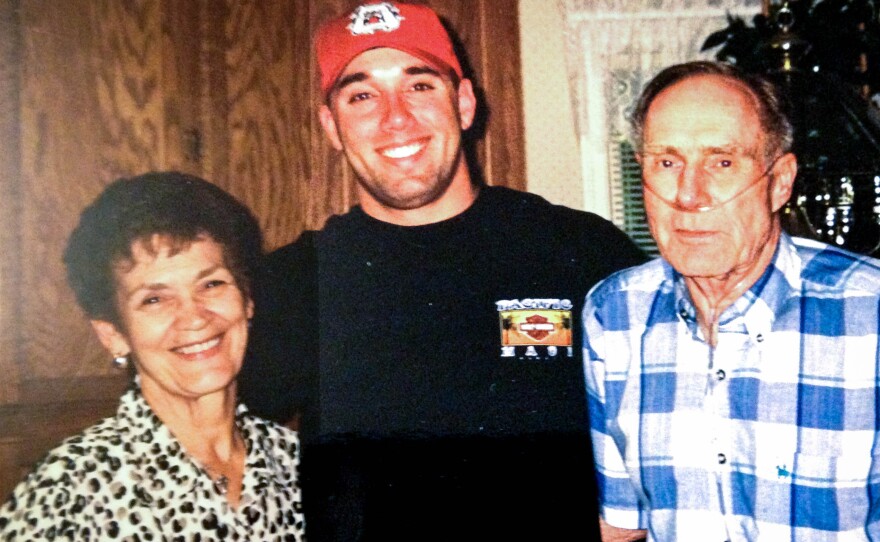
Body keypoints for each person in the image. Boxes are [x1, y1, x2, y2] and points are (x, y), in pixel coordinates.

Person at [238, 2, 646, 540]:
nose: (395, 117)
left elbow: (673, 421)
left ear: (465, 102)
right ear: (330, 126)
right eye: (361, 95)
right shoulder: (291, 284)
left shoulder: (579, 250)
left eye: (420, 85)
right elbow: (209, 446)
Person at [583, 60, 880, 542]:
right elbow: (621, 526)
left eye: (722, 162)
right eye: (666, 162)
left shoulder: (869, 313)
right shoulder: (613, 316)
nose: (688, 195)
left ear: (780, 181)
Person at [0, 172, 306, 540]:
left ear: (247, 300)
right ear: (113, 335)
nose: (194, 317)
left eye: (212, 284)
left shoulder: (297, 464)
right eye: (155, 299)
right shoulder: (70, 490)